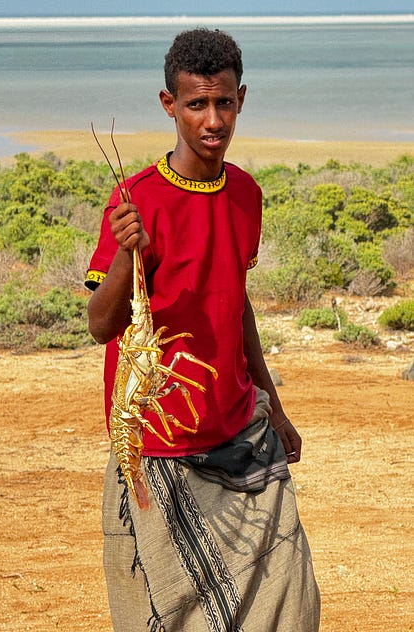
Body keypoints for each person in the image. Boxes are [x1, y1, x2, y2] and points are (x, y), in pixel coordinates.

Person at [86, 28, 320, 632]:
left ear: (241, 98)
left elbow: (235, 302)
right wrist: (124, 254)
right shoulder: (137, 197)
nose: (212, 120)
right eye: (196, 104)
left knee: (289, 601)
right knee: (171, 616)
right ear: (170, 106)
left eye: (224, 103)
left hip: (242, 428)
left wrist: (277, 405)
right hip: (159, 442)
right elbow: (99, 325)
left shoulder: (246, 192)